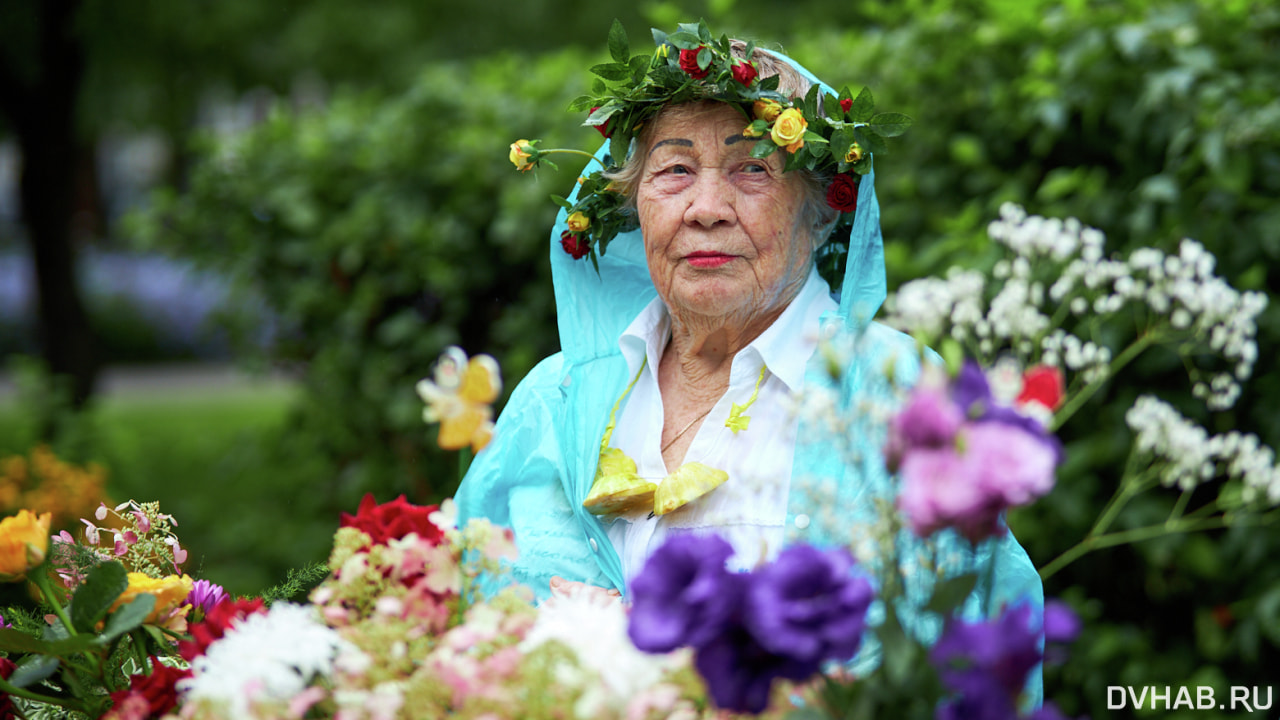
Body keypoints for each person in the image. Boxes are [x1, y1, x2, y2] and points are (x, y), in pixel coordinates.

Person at [456, 22, 1041, 686]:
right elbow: (467, 619)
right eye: (674, 170)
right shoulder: (552, 401)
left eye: (752, 169)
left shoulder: (898, 394)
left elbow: (943, 652)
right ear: (634, 203)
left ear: (820, 211)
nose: (707, 208)